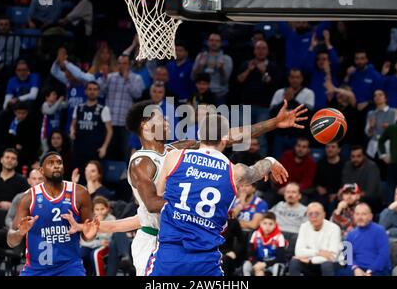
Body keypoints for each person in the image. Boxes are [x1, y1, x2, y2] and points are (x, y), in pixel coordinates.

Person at [64, 99, 307, 276]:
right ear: (146, 125)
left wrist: (275, 123)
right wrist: (205, 211)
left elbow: (226, 137)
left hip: (180, 236)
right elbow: (150, 204)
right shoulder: (141, 162)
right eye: (161, 117)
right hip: (156, 243)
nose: (168, 121)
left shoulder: (174, 151)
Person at [146, 114, 290, 276]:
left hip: (169, 255)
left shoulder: (174, 157)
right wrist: (271, 161)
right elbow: (256, 171)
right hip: (205, 261)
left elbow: (158, 198)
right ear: (224, 140)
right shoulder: (236, 172)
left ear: (199, 135)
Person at [6, 152, 99, 276]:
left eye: (59, 163)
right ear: (41, 170)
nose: (56, 166)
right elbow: (11, 241)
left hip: (70, 267)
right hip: (36, 269)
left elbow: (88, 233)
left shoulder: (80, 193)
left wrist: (89, 235)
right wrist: (20, 233)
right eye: (51, 163)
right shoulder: (28, 198)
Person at [0, 169, 44, 276]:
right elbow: (8, 218)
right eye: (34, 178)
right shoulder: (19, 197)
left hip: (34, 234)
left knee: (29, 236)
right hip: (15, 230)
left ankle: (19, 258)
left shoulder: (47, 199)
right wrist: (15, 227)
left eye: (40, 179)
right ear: (29, 181)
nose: (37, 181)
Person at [237, 40, 281, 155]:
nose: (261, 51)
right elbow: (239, 80)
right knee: (242, 135)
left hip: (263, 107)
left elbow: (273, 84)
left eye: (263, 48)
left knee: (261, 138)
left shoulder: (272, 66)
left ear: (267, 51)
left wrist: (263, 72)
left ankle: (261, 165)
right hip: (245, 106)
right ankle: (239, 163)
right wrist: (249, 70)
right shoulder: (246, 64)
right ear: (254, 50)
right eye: (258, 48)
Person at [98, 54, 144, 161]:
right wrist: (104, 77)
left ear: (129, 65)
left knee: (125, 152)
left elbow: (137, 94)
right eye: (120, 63)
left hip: (125, 123)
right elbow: (100, 92)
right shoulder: (110, 77)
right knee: (108, 152)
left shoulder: (136, 78)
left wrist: (127, 80)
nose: (122, 66)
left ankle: (125, 176)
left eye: (125, 63)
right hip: (109, 123)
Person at [70, 81, 113, 176]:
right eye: (89, 89)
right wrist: (72, 131)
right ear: (85, 91)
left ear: (98, 92)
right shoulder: (78, 108)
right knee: (78, 175)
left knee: (93, 176)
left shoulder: (103, 109)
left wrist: (104, 147)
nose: (92, 91)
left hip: (95, 150)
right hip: (79, 149)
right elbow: (73, 123)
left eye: (95, 89)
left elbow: (110, 131)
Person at [270, 68, 314, 158]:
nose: (295, 80)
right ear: (288, 78)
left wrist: (292, 100)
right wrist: (285, 101)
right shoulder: (280, 92)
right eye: (292, 77)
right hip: (280, 135)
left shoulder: (308, 93)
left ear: (302, 79)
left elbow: (308, 114)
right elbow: (272, 113)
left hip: (297, 136)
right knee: (277, 161)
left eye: (297, 77)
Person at [289, 202, 341, 276]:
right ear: (307, 215)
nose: (314, 216)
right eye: (310, 214)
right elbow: (298, 252)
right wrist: (318, 252)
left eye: (317, 213)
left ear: (324, 215)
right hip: (310, 263)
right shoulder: (304, 227)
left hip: (329, 265)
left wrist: (311, 260)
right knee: (294, 262)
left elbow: (332, 256)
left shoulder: (334, 228)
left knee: (326, 265)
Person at [346, 203, 391, 276]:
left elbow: (383, 255)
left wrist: (370, 271)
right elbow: (347, 256)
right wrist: (355, 268)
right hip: (358, 270)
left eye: (363, 214)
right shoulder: (350, 234)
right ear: (354, 216)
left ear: (370, 216)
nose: (360, 217)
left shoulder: (380, 230)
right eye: (357, 214)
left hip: (378, 270)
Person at [192, 33, 233, 105]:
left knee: (218, 116)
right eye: (211, 40)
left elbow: (225, 81)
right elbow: (193, 77)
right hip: (202, 95)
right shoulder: (200, 56)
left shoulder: (226, 59)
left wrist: (221, 69)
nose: (214, 43)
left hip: (219, 96)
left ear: (221, 43)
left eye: (217, 41)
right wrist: (200, 66)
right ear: (207, 42)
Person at [242, 212, 287, 276]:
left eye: (270, 224)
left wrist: (265, 264)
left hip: (273, 263)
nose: (267, 226)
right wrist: (256, 263)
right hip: (258, 262)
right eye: (265, 223)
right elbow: (250, 254)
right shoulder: (255, 234)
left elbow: (280, 257)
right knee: (246, 265)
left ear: (275, 225)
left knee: (277, 267)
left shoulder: (279, 236)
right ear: (260, 224)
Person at [80, 196, 115, 276]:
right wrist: (98, 240)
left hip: (105, 246)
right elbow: (84, 240)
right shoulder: (89, 219)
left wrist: (100, 223)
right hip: (92, 245)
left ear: (107, 208)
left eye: (102, 209)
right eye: (97, 209)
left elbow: (108, 238)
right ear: (93, 210)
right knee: (81, 254)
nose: (100, 212)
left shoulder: (111, 219)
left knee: (95, 254)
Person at [270, 183, 307, 256]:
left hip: (294, 236)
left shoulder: (305, 210)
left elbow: (305, 229)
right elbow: (266, 217)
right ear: (284, 194)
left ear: (299, 196)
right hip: (276, 234)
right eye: (288, 192)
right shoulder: (278, 205)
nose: (290, 195)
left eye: (293, 192)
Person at [342, 145, 382, 213]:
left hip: (370, 199)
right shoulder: (347, 166)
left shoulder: (372, 167)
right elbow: (345, 185)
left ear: (364, 156)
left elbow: (370, 192)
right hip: (351, 196)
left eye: (358, 156)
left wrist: (354, 195)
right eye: (353, 157)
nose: (355, 159)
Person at [365, 89, 397, 161]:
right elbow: (368, 133)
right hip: (373, 149)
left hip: (387, 148)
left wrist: (390, 127)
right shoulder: (371, 113)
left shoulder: (394, 112)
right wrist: (371, 127)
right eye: (375, 95)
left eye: (380, 95)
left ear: (386, 98)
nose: (377, 97)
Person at [314, 142, 345, 213]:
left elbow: (346, 181)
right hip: (324, 194)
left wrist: (337, 194)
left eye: (333, 147)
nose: (330, 149)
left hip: (339, 194)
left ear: (339, 150)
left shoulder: (344, 164)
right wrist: (318, 187)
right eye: (327, 147)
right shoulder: (320, 163)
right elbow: (315, 181)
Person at [40, 88, 67, 154]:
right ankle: (41, 163)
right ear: (47, 97)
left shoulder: (58, 104)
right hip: (46, 133)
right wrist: (60, 100)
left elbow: (67, 105)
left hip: (55, 134)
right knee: (46, 151)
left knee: (56, 151)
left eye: (56, 95)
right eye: (53, 94)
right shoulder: (45, 105)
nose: (55, 96)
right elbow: (51, 111)